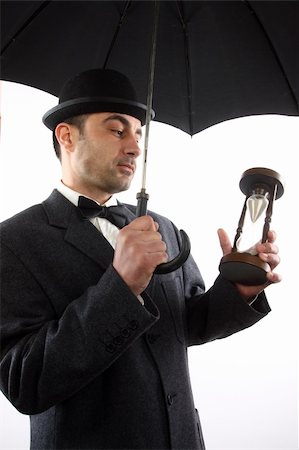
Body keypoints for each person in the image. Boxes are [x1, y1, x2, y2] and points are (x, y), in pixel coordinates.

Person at [0, 68, 281, 450]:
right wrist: (121, 285)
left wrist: (238, 290)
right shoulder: (12, 242)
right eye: (117, 131)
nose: (134, 147)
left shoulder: (162, 228)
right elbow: (25, 382)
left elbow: (189, 324)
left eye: (138, 134)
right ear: (66, 135)